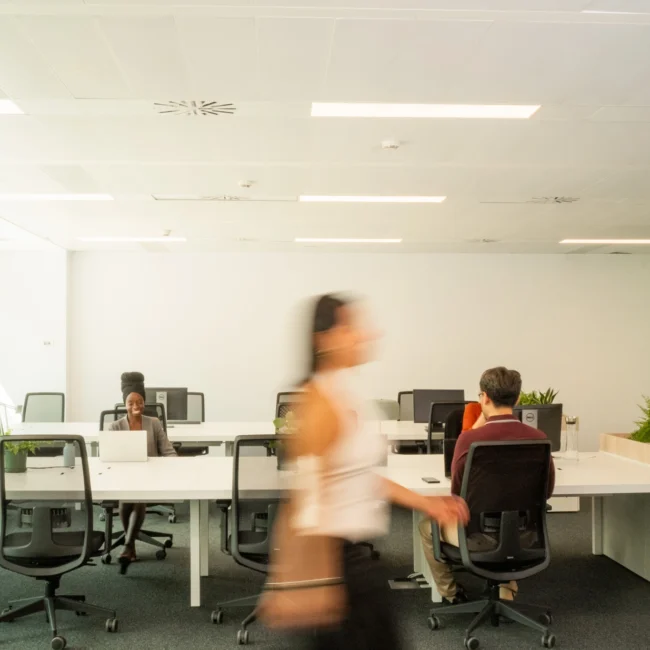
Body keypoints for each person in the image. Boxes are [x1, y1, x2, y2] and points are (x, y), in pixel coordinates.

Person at [277, 294, 469, 649]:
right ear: (324, 339)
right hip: (336, 564)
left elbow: (359, 476)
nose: (365, 334)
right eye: (350, 327)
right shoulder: (319, 403)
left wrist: (427, 503)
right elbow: (306, 501)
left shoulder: (342, 394)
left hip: (355, 561)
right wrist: (313, 581)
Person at [419, 366, 555, 604]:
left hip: (477, 535)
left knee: (425, 525)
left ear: (484, 397)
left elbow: (457, 494)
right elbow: (547, 491)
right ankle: (506, 587)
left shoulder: (470, 439)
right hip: (525, 535)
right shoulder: (538, 437)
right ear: (518, 399)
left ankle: (451, 593)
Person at [109, 372, 176, 574]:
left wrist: (176, 465)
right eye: (131, 402)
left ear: (144, 403)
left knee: (136, 497)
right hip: (124, 477)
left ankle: (128, 545)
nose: (135, 405)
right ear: (124, 404)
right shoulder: (115, 427)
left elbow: (168, 450)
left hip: (149, 477)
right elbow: (109, 456)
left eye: (139, 401)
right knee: (128, 498)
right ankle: (129, 545)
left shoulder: (153, 423)